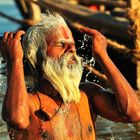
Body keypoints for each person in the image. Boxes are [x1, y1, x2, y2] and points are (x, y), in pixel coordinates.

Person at [1, 13, 140, 140]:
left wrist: (102, 56)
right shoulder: (28, 103)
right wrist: (15, 60)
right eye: (61, 44)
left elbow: (133, 113)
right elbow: (17, 119)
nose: (72, 50)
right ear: (37, 56)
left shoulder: (87, 95)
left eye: (73, 45)